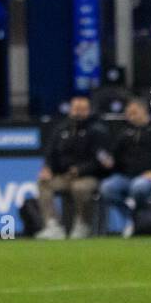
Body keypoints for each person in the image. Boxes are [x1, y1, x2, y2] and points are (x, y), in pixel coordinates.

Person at [98, 98, 151, 238]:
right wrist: (110, 163)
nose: (130, 117)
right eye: (128, 114)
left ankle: (139, 221)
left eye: (134, 113)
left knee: (139, 187)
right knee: (107, 187)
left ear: (144, 111)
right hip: (127, 177)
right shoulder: (125, 133)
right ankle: (131, 219)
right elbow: (116, 158)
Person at [36, 94, 109, 239]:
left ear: (89, 110)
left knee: (80, 188)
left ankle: (83, 224)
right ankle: (52, 225)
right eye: (75, 109)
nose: (78, 112)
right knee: (43, 183)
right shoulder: (62, 129)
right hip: (64, 176)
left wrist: (81, 170)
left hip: (88, 177)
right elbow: (51, 153)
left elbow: (101, 160)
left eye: (82, 109)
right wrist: (47, 168)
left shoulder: (97, 130)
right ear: (70, 110)